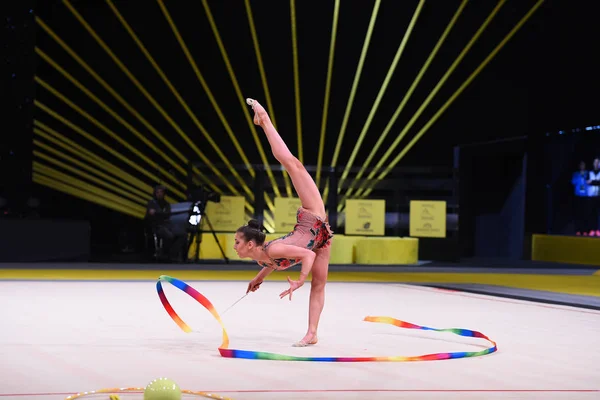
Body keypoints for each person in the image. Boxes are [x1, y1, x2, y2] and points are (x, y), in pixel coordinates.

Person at [233, 98, 334, 347]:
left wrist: (300, 279)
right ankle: (312, 333)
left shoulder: (274, 249)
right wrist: (259, 278)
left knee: (292, 165)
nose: (234, 245)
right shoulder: (262, 257)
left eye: (237, 241)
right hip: (319, 238)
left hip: (313, 215)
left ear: (249, 244)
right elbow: (271, 263)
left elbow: (304, 258)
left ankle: (264, 120)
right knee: (319, 285)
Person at [571, 160, 589, 235]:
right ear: (579, 166)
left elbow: (590, 182)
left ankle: (585, 230)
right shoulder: (575, 174)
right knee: (578, 214)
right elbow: (573, 182)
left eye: (583, 165)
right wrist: (579, 176)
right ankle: (578, 230)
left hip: (585, 196)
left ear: (585, 166)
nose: (582, 166)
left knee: (585, 214)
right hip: (578, 196)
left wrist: (584, 177)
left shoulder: (588, 173)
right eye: (581, 165)